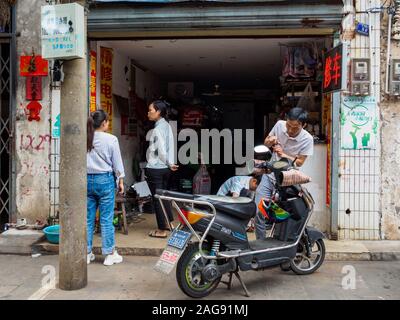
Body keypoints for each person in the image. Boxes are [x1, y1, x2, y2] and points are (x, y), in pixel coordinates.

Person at [255, 107, 313, 240]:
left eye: (295, 128)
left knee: (285, 214)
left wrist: (284, 155)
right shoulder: (280, 125)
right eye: (289, 125)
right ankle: (260, 243)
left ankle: (282, 242)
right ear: (286, 121)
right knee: (259, 210)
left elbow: (299, 162)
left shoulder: (307, 139)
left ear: (303, 125)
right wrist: (270, 141)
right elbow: (266, 142)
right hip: (270, 175)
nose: (290, 130)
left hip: (287, 180)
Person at [86, 110, 125, 266]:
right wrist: (120, 180)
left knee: (88, 219)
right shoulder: (111, 139)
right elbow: (117, 162)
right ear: (103, 123)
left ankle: (87, 253)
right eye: (108, 121)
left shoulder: (86, 138)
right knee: (106, 219)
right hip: (105, 180)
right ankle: (109, 254)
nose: (108, 124)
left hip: (87, 180)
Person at [146, 100, 179, 238]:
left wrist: (168, 162)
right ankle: (169, 223)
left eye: (150, 110)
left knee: (157, 199)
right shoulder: (166, 125)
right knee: (164, 197)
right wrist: (170, 163)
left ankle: (161, 230)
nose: (148, 113)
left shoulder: (158, 128)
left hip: (156, 168)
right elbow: (170, 146)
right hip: (165, 169)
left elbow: (160, 150)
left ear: (158, 112)